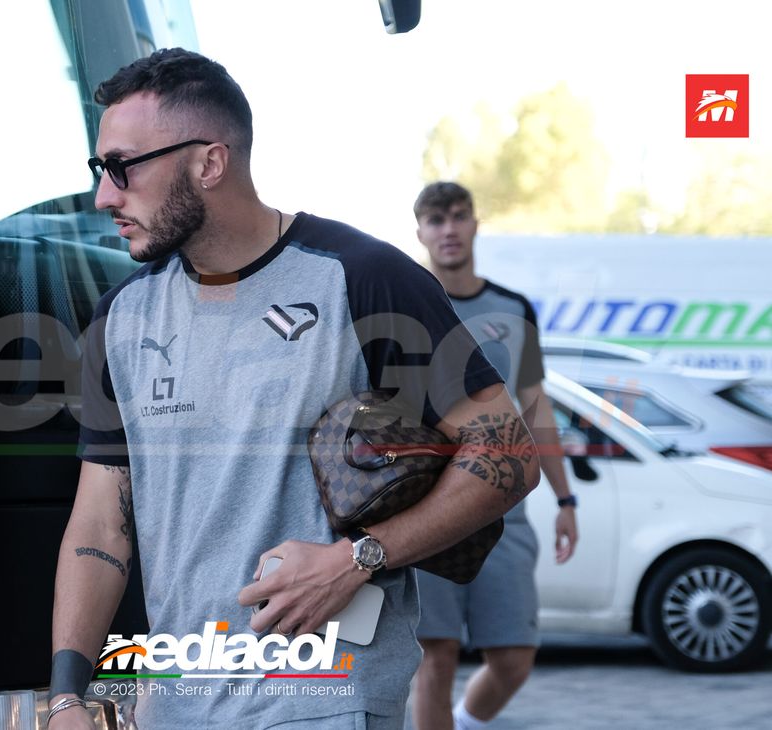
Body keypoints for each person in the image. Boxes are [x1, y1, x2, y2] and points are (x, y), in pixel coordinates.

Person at [46, 50, 540, 730]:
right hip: (175, 703)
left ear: (209, 163)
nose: (106, 195)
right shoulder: (121, 318)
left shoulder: (363, 277)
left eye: (124, 167)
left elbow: (509, 456)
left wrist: (358, 559)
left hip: (322, 701)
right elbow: (101, 522)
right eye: (101, 170)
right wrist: (68, 694)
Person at [409, 182, 579, 730]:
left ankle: (468, 722)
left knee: (513, 657)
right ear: (420, 232)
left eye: (459, 216)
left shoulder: (512, 308)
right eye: (436, 219)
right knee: (435, 654)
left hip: (505, 509)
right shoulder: (403, 299)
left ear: (476, 224)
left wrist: (566, 499)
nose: (449, 228)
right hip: (428, 503)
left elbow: (536, 409)